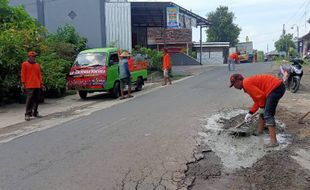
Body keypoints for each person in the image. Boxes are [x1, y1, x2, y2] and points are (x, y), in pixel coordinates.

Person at [229, 73, 286, 148]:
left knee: (268, 114)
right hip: (276, 87)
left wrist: (262, 107)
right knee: (263, 111)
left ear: (238, 81)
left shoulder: (246, 83)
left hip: (275, 88)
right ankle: (260, 131)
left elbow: (261, 96)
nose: (234, 87)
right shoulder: (247, 84)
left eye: (234, 84)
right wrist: (250, 113)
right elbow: (257, 101)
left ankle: (274, 142)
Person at [21, 51, 44, 121]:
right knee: (29, 100)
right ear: (29, 57)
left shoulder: (37, 65)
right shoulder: (24, 64)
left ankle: (35, 113)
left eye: (35, 57)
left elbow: (39, 75)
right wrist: (23, 83)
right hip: (29, 85)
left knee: (37, 100)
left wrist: (41, 83)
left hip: (37, 85)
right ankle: (27, 114)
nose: (34, 58)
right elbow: (23, 74)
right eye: (33, 56)